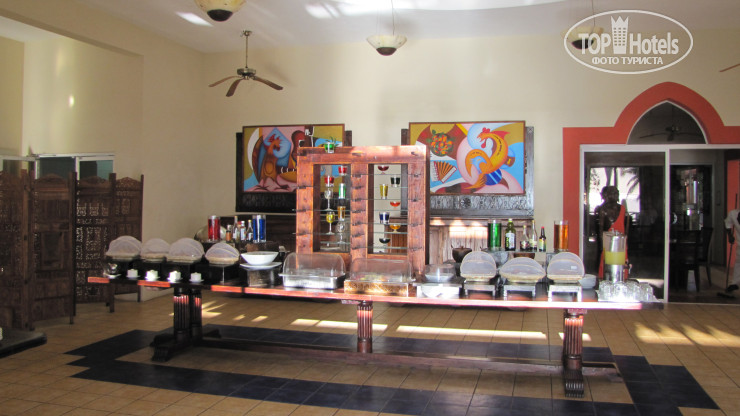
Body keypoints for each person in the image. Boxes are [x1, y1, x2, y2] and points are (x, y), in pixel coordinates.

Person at [595, 186, 628, 277]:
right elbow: (600, 230)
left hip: (620, 243)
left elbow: (626, 229)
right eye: (613, 193)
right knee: (608, 268)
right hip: (609, 242)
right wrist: (602, 246)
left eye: (616, 193)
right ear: (608, 195)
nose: (616, 195)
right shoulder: (603, 210)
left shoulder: (622, 209)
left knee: (620, 269)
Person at [719, 209, 740, 298]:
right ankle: (735, 283)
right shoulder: (733, 214)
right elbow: (727, 224)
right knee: (738, 263)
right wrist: (730, 236)